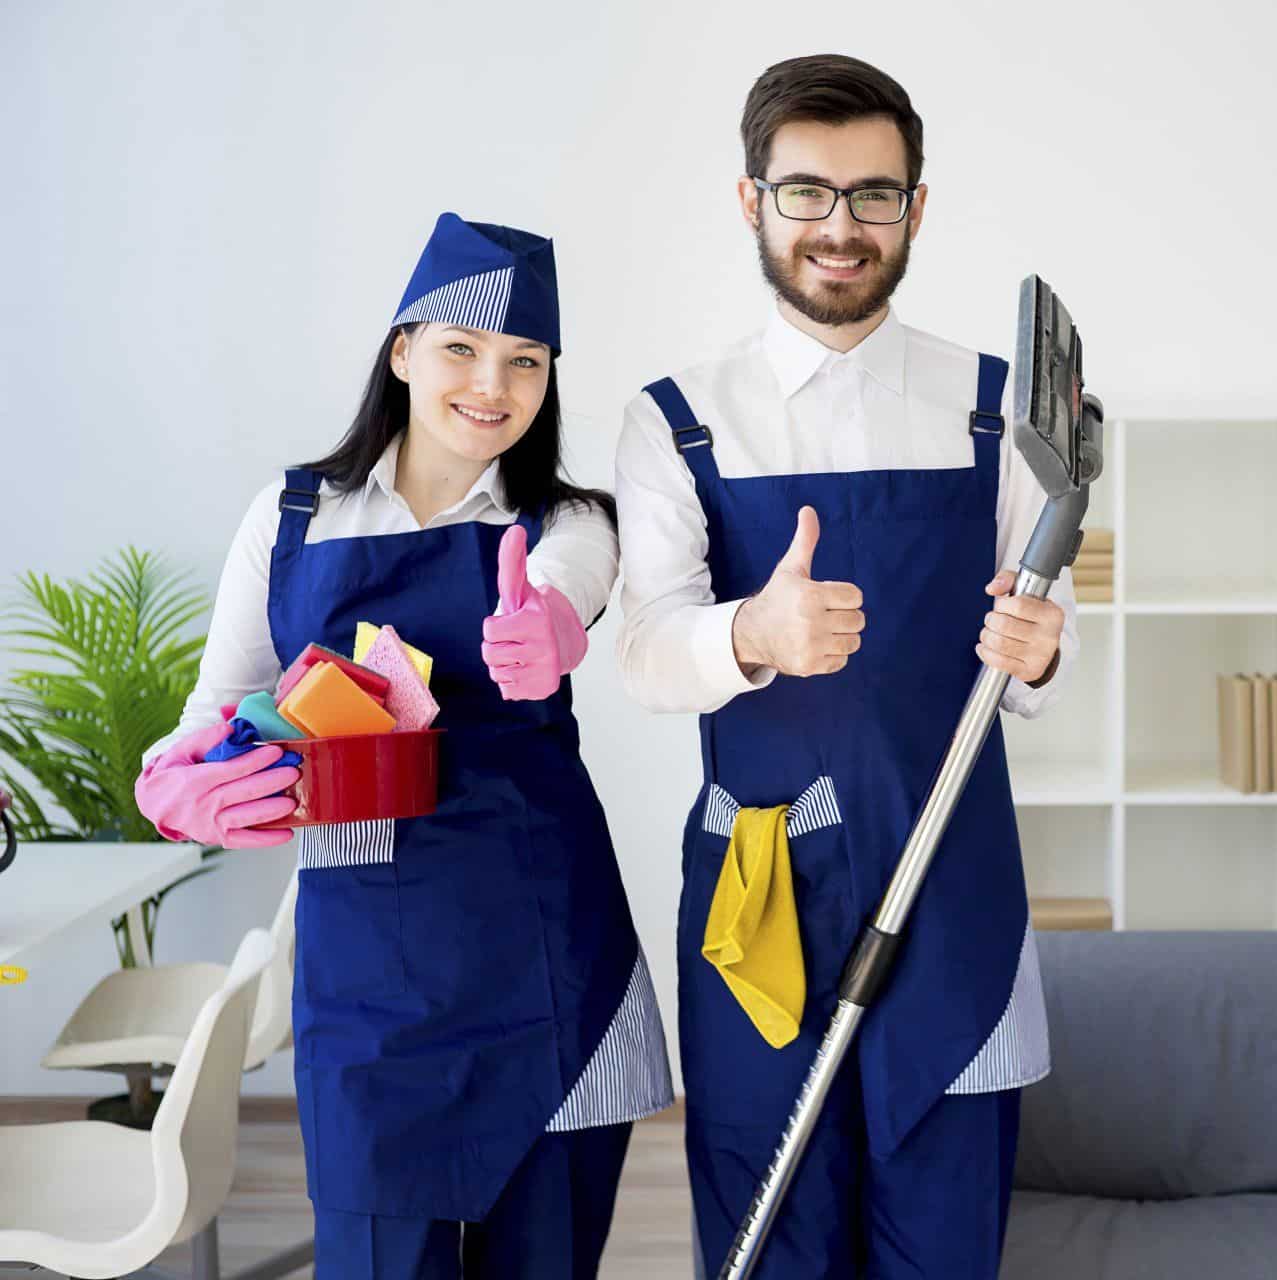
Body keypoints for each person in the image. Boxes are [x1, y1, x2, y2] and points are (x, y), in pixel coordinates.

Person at [136, 212, 672, 1278]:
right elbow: (210, 713)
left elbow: (571, 587)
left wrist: (550, 630)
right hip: (368, 987)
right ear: (402, 351)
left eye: (526, 361)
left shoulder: (572, 521)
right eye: (463, 349)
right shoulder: (294, 517)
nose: (494, 383)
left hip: (554, 964)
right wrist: (171, 783)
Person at [614, 54, 1077, 1277]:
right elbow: (646, 653)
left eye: (875, 195)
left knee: (943, 1222)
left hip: (954, 879)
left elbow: (1038, 636)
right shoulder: (679, 419)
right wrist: (752, 635)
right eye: (806, 192)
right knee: (775, 1230)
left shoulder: (1001, 410)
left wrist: (1042, 648)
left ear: (917, 208)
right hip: (762, 881)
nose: (840, 226)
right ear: (752, 200)